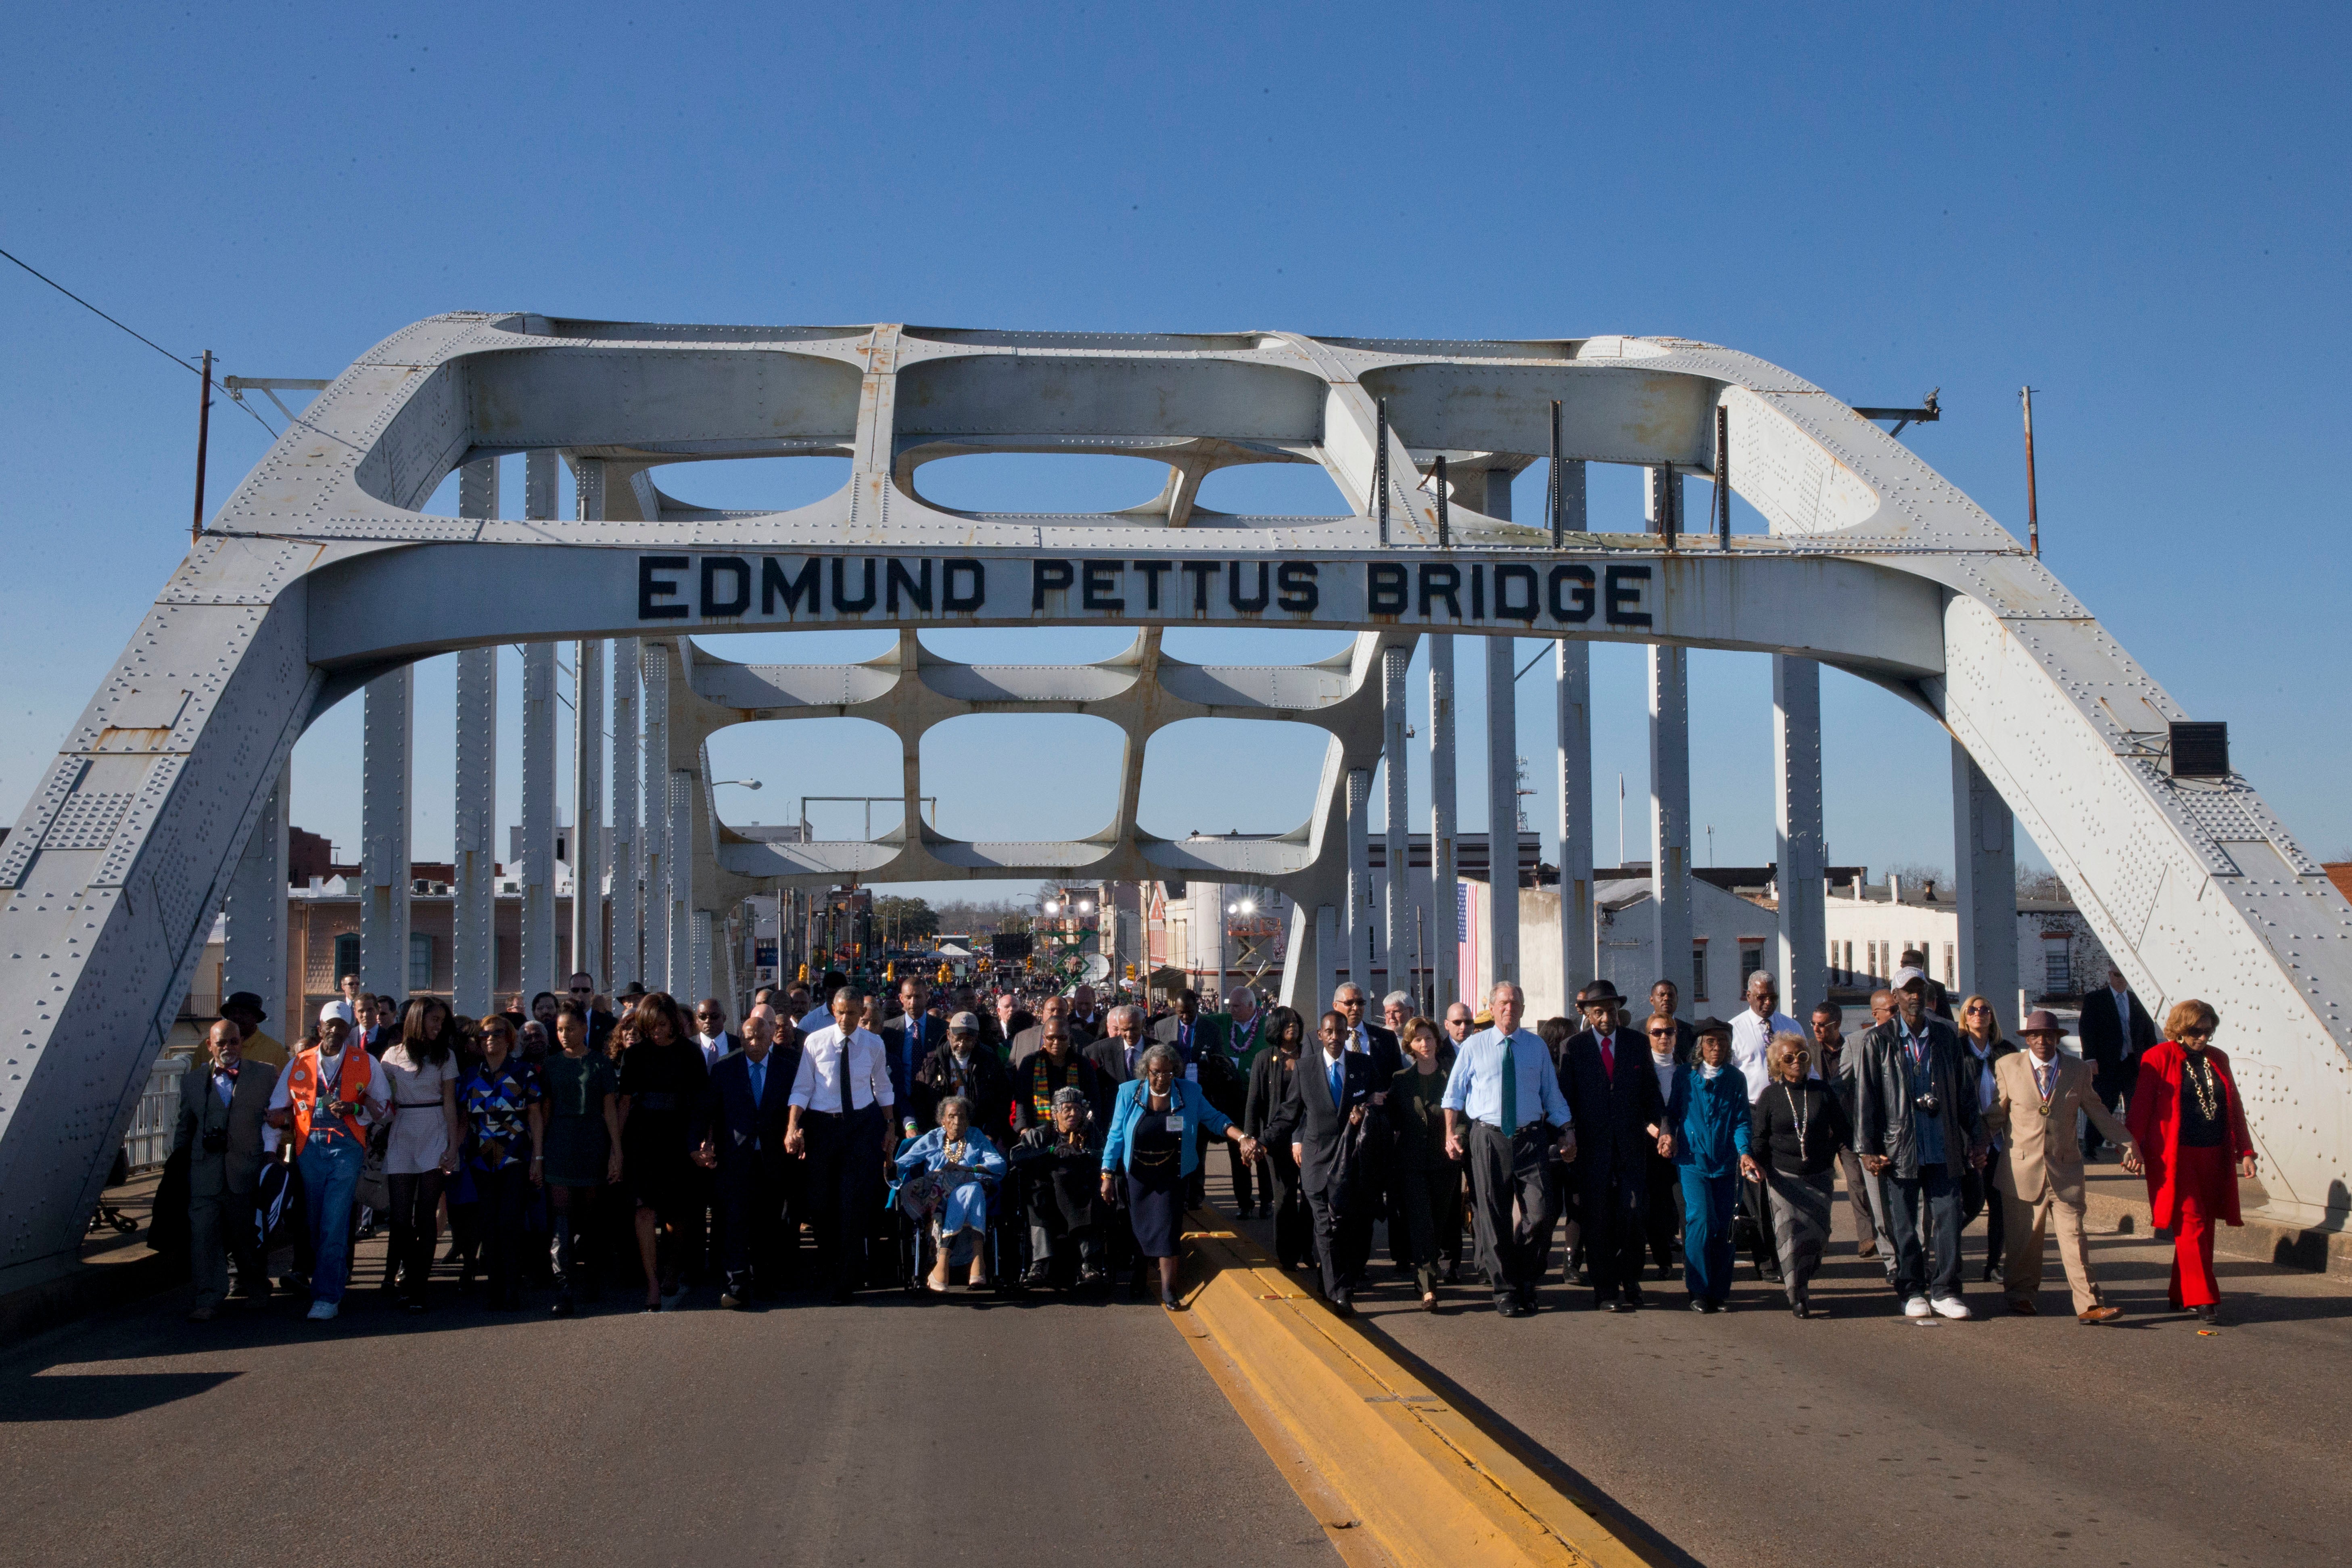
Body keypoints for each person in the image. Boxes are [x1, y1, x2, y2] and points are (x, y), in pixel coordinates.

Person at [1988, 1010, 2136, 1323]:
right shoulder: (2008, 1066)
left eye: (2049, 1036)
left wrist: (2127, 1142)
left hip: (2065, 1171)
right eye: (2035, 1036)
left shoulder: (2076, 1069)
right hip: (2020, 1170)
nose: (2042, 1041)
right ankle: (2021, 1295)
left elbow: (2098, 1111)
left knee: (2075, 1238)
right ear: (2027, 1039)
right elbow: (1996, 1115)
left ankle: (2090, 1305)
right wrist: (1972, 1144)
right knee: (2024, 1241)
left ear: (2058, 1038)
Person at [1855, 968, 1986, 1320]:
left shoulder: (1945, 1037)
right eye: (1907, 991)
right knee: (1905, 1223)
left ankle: (1945, 1289)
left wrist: (1978, 1138)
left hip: (1943, 1141)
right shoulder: (1878, 1040)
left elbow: (1965, 1094)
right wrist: (1867, 1148)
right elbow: (1866, 1097)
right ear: (1895, 997)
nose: (1914, 996)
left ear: (1928, 996)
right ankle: (1911, 1288)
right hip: (1900, 1146)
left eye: (1920, 990)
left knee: (1947, 1217)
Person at [1441, 981, 1575, 1319]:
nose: (1509, 1009)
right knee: (1493, 1216)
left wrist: (1566, 1130)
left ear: (1523, 1009)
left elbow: (1552, 1094)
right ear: (1492, 1006)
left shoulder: (1536, 1047)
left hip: (1531, 1139)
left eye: (1515, 1003)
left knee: (1542, 1212)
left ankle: (1527, 1278)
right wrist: (1450, 1134)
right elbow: (1453, 1095)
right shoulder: (1475, 1045)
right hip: (1488, 1137)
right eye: (1503, 1003)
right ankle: (1506, 1290)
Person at [2127, 999, 2257, 1325]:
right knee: (2191, 1222)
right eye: (2195, 1031)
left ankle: (2180, 1291)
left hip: (2214, 1152)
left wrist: (2246, 1151)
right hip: (2175, 1156)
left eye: (2208, 1032)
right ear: (2180, 1029)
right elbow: (2141, 1107)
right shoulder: (2157, 1058)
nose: (2202, 1038)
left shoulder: (2218, 1059)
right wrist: (2131, 1147)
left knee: (2204, 1226)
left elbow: (2234, 1106)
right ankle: (2203, 1297)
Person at [1101, 1042, 1255, 1308]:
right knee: (1139, 1231)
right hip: (1138, 1174)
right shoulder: (1128, 1093)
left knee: (1168, 1231)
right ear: (1145, 1071)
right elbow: (1115, 1136)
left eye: (1168, 1072)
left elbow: (1215, 1119)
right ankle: (1140, 1273)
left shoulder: (1190, 1092)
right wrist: (1106, 1173)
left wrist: (1241, 1136)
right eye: (1156, 1072)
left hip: (1172, 1172)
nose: (1162, 1078)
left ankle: (1169, 1290)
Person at [268, 1006, 390, 1320]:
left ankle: (327, 1296)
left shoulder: (366, 1062)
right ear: (320, 1028)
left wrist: (355, 1109)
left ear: (349, 1028)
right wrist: (272, 1146)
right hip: (309, 1148)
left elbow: (386, 1109)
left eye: (341, 1026)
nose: (335, 1031)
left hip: (346, 1148)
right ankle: (321, 1278)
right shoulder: (300, 1062)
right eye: (329, 1026)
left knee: (334, 1221)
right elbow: (276, 1108)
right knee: (314, 1222)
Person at [1560, 980, 1667, 1312]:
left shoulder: (1637, 1043)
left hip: (1631, 1147)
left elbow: (1651, 1093)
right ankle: (1605, 1289)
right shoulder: (1573, 1047)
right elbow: (1566, 1099)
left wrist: (1663, 1128)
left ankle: (1631, 1280)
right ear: (1588, 1014)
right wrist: (1568, 1133)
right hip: (1592, 1151)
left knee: (1634, 1213)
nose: (1606, 1017)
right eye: (1598, 1011)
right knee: (1599, 1220)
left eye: (1611, 1010)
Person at [1267, 1011, 1383, 1314]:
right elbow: (1290, 1113)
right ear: (1320, 1035)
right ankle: (1339, 1292)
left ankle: (1328, 1279)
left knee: (1347, 1228)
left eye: (1340, 1031)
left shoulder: (1363, 1065)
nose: (1335, 1037)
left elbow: (1377, 1101)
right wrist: (1260, 1141)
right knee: (1326, 1226)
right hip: (1317, 1162)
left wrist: (1367, 1112)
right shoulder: (1305, 1068)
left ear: (1347, 1034)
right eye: (1329, 1031)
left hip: (1352, 1163)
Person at [786, 986, 896, 1303]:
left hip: (861, 1126)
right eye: (841, 1012)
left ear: (861, 1012)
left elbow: (883, 1086)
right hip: (823, 1127)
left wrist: (890, 1126)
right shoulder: (815, 1042)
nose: (847, 1019)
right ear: (833, 1011)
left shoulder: (874, 1044)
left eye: (853, 1013)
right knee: (821, 1203)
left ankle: (846, 1277)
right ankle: (826, 1265)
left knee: (852, 1202)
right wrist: (793, 1125)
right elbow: (803, 1087)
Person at [175, 1019, 279, 1321]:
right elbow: (184, 1127)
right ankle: (208, 1296)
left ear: (241, 1043)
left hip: (245, 1169)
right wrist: (179, 1165)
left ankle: (257, 1288)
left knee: (245, 1235)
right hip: (204, 1172)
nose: (228, 1048)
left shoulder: (264, 1074)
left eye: (233, 1041)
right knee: (203, 1235)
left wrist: (276, 1152)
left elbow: (279, 1117)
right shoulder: (193, 1081)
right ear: (210, 1045)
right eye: (221, 1043)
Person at [699, 1005, 802, 1307]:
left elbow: (796, 1111)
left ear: (772, 1037)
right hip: (736, 1159)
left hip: (772, 1159)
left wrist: (798, 1133)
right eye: (748, 1038)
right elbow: (707, 1112)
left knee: (768, 1224)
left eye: (760, 1036)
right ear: (741, 1039)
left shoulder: (787, 1069)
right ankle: (736, 1285)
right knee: (735, 1223)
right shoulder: (725, 1069)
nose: (755, 1043)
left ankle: (765, 1282)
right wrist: (702, 1143)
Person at [616, 992, 710, 1312]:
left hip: (679, 1137)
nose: (656, 1031)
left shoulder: (690, 1054)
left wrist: (701, 1141)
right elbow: (625, 1103)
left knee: (677, 1213)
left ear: (674, 1023)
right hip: (641, 1138)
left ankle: (672, 1268)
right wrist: (616, 1148)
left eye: (663, 1025)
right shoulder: (635, 1055)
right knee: (643, 1209)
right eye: (650, 1026)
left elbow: (701, 1102)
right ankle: (653, 1281)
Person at [1748, 1031, 1851, 1318]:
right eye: (1789, 1058)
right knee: (1789, 1237)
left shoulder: (1822, 1091)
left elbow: (1844, 1130)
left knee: (1817, 1237)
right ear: (1777, 1064)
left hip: (1818, 1176)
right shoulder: (1770, 1095)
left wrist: (1839, 1154)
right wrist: (1752, 1160)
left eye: (1802, 1056)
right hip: (1782, 1178)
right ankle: (1798, 1295)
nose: (1796, 1062)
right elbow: (1760, 1137)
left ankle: (1806, 1274)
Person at [378, 997, 463, 1312]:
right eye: (434, 1020)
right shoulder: (392, 1055)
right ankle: (409, 1273)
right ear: (417, 1019)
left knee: (426, 1215)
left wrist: (453, 1145)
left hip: (434, 1128)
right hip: (402, 1129)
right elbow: (380, 1093)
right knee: (400, 1219)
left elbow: (451, 1103)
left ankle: (418, 1287)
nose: (438, 1026)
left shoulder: (446, 1056)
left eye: (442, 1021)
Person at [1663, 1017, 1753, 1312]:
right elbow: (1673, 1113)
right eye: (1711, 1042)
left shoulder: (1736, 1078)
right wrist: (1668, 1136)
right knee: (1700, 1221)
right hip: (1693, 1162)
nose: (1717, 1047)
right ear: (1701, 1046)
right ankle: (1698, 1289)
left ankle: (1719, 1291)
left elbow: (1742, 1120)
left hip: (1727, 1164)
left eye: (1723, 1041)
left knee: (1725, 1227)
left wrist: (1744, 1151)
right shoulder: (1684, 1077)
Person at [541, 1000, 622, 1315]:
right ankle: (564, 1286)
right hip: (560, 1143)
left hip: (592, 1143)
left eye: (570, 1028)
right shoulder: (551, 1064)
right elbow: (545, 1111)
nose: (564, 1034)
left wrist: (617, 1151)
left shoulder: (601, 1064)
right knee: (561, 1216)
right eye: (560, 1029)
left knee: (590, 1216)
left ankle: (591, 1277)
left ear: (585, 1028)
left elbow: (610, 1111)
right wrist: (539, 1153)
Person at [460, 1013, 545, 1311]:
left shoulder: (524, 1072)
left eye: (497, 1033)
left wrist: (538, 1158)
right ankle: (493, 1289)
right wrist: (451, 1150)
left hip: (515, 1156)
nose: (490, 1039)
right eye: (484, 1035)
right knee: (489, 1225)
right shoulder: (471, 1075)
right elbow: (462, 1120)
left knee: (510, 1223)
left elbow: (535, 1116)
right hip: (482, 1160)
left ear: (509, 1038)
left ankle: (512, 1287)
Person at [1727, 970, 1805, 1284]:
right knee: (1757, 1189)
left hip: (1787, 1114)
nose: (1767, 1002)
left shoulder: (1791, 1026)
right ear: (1748, 995)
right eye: (1761, 996)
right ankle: (1765, 1258)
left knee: (1786, 1187)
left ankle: (1792, 1253)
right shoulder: (1736, 1028)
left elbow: (1808, 1072)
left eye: (1772, 996)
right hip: (1752, 1111)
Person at [896, 1095, 1008, 1291]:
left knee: (972, 1189)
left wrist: (969, 1170)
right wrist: (889, 1161)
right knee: (972, 1191)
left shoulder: (975, 1137)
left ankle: (943, 1265)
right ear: (943, 1121)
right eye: (952, 1117)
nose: (958, 1122)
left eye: (963, 1117)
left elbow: (999, 1164)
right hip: (939, 1197)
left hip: (974, 1192)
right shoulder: (933, 1138)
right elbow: (904, 1163)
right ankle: (978, 1266)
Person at [1388, 1015, 1461, 1309]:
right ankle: (1429, 1286)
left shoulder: (1452, 1075)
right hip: (1412, 1163)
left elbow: (1464, 1114)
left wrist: (1459, 1140)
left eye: (1429, 1038)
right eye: (1418, 1039)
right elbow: (1393, 1121)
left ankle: (1424, 1274)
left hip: (1445, 1161)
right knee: (1422, 1223)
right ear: (1410, 1045)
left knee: (1440, 1223)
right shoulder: (1401, 1081)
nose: (1425, 1044)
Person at [1010, 1088, 1111, 1287]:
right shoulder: (1041, 1134)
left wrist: (1083, 1153)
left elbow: (1106, 1155)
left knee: (1090, 1198)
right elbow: (1017, 1157)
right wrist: (1050, 1151)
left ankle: (1089, 1263)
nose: (1073, 1114)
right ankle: (1039, 1264)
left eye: (1077, 1109)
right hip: (1046, 1193)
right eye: (1066, 1109)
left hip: (1081, 1191)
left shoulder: (1091, 1133)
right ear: (1055, 1113)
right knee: (1038, 1198)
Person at [1810, 1002, 1880, 1264]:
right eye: (1813, 1023)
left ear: (1837, 1024)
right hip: (1820, 1128)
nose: (1816, 1028)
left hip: (1849, 1126)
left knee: (1858, 1182)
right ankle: (1820, 1237)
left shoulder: (1854, 1046)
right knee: (1820, 1185)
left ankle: (1867, 1237)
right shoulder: (1808, 1048)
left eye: (1822, 1024)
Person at [1956, 994, 2020, 1282]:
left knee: (2000, 1205)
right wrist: (1971, 1137)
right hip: (1966, 1138)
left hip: (2000, 1138)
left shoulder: (2006, 1051)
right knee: (1969, 1203)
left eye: (1985, 1010)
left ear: (1992, 1017)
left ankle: (1993, 1264)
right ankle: (1948, 1255)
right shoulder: (1957, 1050)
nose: (1979, 1014)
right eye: (1973, 1010)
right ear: (1965, 1017)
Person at [1244, 1006, 1313, 1270]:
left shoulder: (1310, 1056)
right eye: (1286, 1023)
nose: (1292, 1026)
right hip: (1275, 1140)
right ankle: (1287, 1257)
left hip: (1308, 1137)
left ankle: (1307, 1249)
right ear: (1275, 1027)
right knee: (1284, 1198)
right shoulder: (1264, 1058)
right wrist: (1249, 1141)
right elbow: (1253, 1104)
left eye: (1295, 1021)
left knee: (1310, 1197)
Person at [2079, 965, 2158, 1159]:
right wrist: (2090, 1059)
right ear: (2110, 975)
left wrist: (2153, 1060)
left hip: (2134, 1062)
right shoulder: (2095, 999)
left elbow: (2148, 1033)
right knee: (2103, 1106)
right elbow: (2087, 1030)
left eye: (2125, 975)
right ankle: (2091, 1146)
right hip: (2107, 1064)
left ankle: (2136, 1146)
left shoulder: (2138, 1000)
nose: (2121, 979)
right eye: (2117, 974)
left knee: (2137, 1106)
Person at [914, 1011, 1015, 1147]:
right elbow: (920, 1100)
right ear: (949, 1035)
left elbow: (1002, 1100)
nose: (962, 1044)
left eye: (968, 1040)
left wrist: (991, 1132)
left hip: (978, 1133)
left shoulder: (990, 1062)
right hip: (940, 1134)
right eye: (958, 1038)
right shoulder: (932, 1062)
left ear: (976, 1038)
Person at [1640, 991, 1686, 1279]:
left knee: (1682, 1204)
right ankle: (1662, 1257)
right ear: (1648, 1036)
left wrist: (1675, 1134)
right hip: (1651, 1143)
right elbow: (1638, 1109)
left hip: (1682, 1143)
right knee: (1656, 1204)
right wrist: (1657, 1133)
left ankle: (1690, 1257)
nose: (1663, 1037)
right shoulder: (1643, 1070)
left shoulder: (1686, 1070)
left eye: (1669, 1031)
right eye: (1657, 1032)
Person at [1016, 1016, 1109, 1132]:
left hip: (1076, 1133)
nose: (1057, 1043)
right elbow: (1022, 1100)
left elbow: (1094, 1100)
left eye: (1062, 1038)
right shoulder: (1030, 1063)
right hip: (1038, 1132)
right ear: (1044, 1038)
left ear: (1069, 1038)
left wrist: (1086, 1128)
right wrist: (1025, 1130)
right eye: (1051, 1038)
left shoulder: (1082, 1064)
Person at [882, 976, 944, 1106]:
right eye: (909, 997)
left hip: (932, 1102)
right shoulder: (888, 1030)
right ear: (901, 998)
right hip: (898, 1101)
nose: (913, 1003)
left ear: (927, 997)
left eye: (918, 997)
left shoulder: (942, 1029)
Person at [1332, 982, 1403, 1077]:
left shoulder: (1386, 1037)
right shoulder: (1316, 1041)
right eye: (1349, 1003)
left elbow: (1397, 1077)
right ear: (1335, 1006)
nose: (1356, 1008)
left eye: (1360, 1003)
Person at [1085, 1003, 1155, 1085]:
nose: (1129, 1034)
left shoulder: (1156, 1050)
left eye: (1134, 1029)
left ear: (1143, 1023)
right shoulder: (1102, 1049)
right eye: (1125, 1030)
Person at [217, 991, 288, 1070]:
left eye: (243, 1013)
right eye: (233, 1013)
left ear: (256, 1018)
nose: (237, 1017)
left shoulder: (275, 1051)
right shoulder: (209, 1047)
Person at [567, 973, 617, 1053]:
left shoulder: (610, 1024)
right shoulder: (555, 1026)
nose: (580, 994)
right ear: (569, 993)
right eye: (575, 990)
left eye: (585, 990)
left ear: (592, 992)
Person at [692, 998, 737, 1069]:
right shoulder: (686, 1047)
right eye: (703, 1017)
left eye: (714, 1016)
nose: (708, 1021)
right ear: (697, 1020)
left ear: (724, 1018)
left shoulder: (739, 1045)